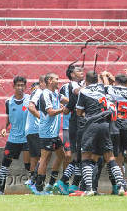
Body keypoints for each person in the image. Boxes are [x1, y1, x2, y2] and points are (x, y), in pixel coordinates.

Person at [74, 71, 125, 196]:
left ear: (86, 81)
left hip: (91, 125)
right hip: (105, 125)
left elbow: (79, 112)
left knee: (86, 156)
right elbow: (109, 86)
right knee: (110, 157)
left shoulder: (83, 91)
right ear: (97, 79)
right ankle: (121, 186)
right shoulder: (103, 88)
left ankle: (89, 189)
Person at [101, 71, 127, 195]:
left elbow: (106, 86)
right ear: (126, 82)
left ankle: (121, 186)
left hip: (114, 128)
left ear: (116, 82)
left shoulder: (110, 89)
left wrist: (105, 76)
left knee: (118, 158)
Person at [0, 76, 30, 195]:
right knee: (5, 164)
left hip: (27, 138)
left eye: (22, 85)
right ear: (14, 86)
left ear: (25, 86)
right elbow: (8, 116)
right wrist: (5, 127)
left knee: (29, 165)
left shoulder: (30, 100)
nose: (20, 87)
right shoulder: (8, 102)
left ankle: (35, 190)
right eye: (18, 85)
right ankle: (0, 190)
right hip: (13, 138)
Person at [35, 73, 68, 194]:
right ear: (49, 80)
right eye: (56, 79)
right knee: (44, 159)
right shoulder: (45, 94)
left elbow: (67, 100)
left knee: (62, 156)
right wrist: (62, 109)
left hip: (54, 134)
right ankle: (39, 188)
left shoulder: (56, 94)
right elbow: (50, 112)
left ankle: (50, 184)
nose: (58, 81)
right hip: (46, 133)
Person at [54, 65, 85, 195]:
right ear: (72, 74)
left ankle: (73, 184)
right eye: (79, 70)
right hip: (73, 124)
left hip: (79, 123)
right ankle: (63, 182)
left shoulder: (82, 85)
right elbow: (69, 103)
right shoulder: (72, 87)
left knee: (80, 155)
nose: (82, 72)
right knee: (76, 155)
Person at [26, 76, 46, 190]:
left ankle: (32, 184)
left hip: (32, 130)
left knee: (35, 157)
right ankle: (35, 182)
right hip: (36, 129)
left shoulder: (41, 93)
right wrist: (43, 119)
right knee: (42, 156)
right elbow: (30, 107)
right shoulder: (38, 92)